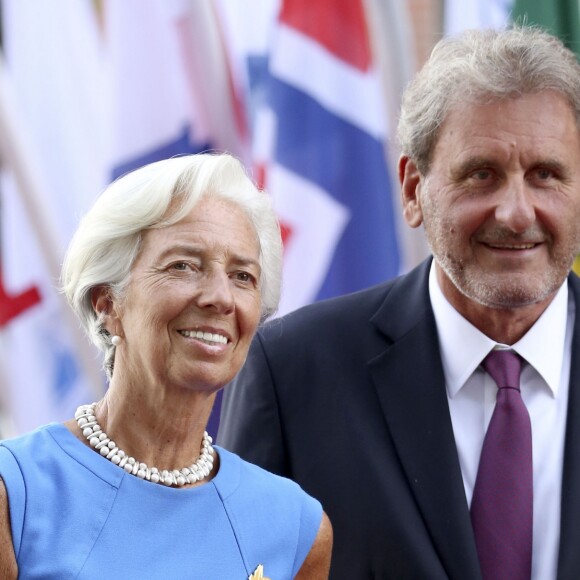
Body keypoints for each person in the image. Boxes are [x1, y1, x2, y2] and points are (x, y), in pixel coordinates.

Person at [218, 25, 580, 580]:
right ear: (413, 189)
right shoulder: (294, 373)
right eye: (482, 175)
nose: (516, 213)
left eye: (546, 176)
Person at [0, 153, 332, 578]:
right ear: (108, 303)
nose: (220, 297)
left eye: (242, 276)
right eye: (184, 266)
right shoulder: (16, 492)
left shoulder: (297, 527)